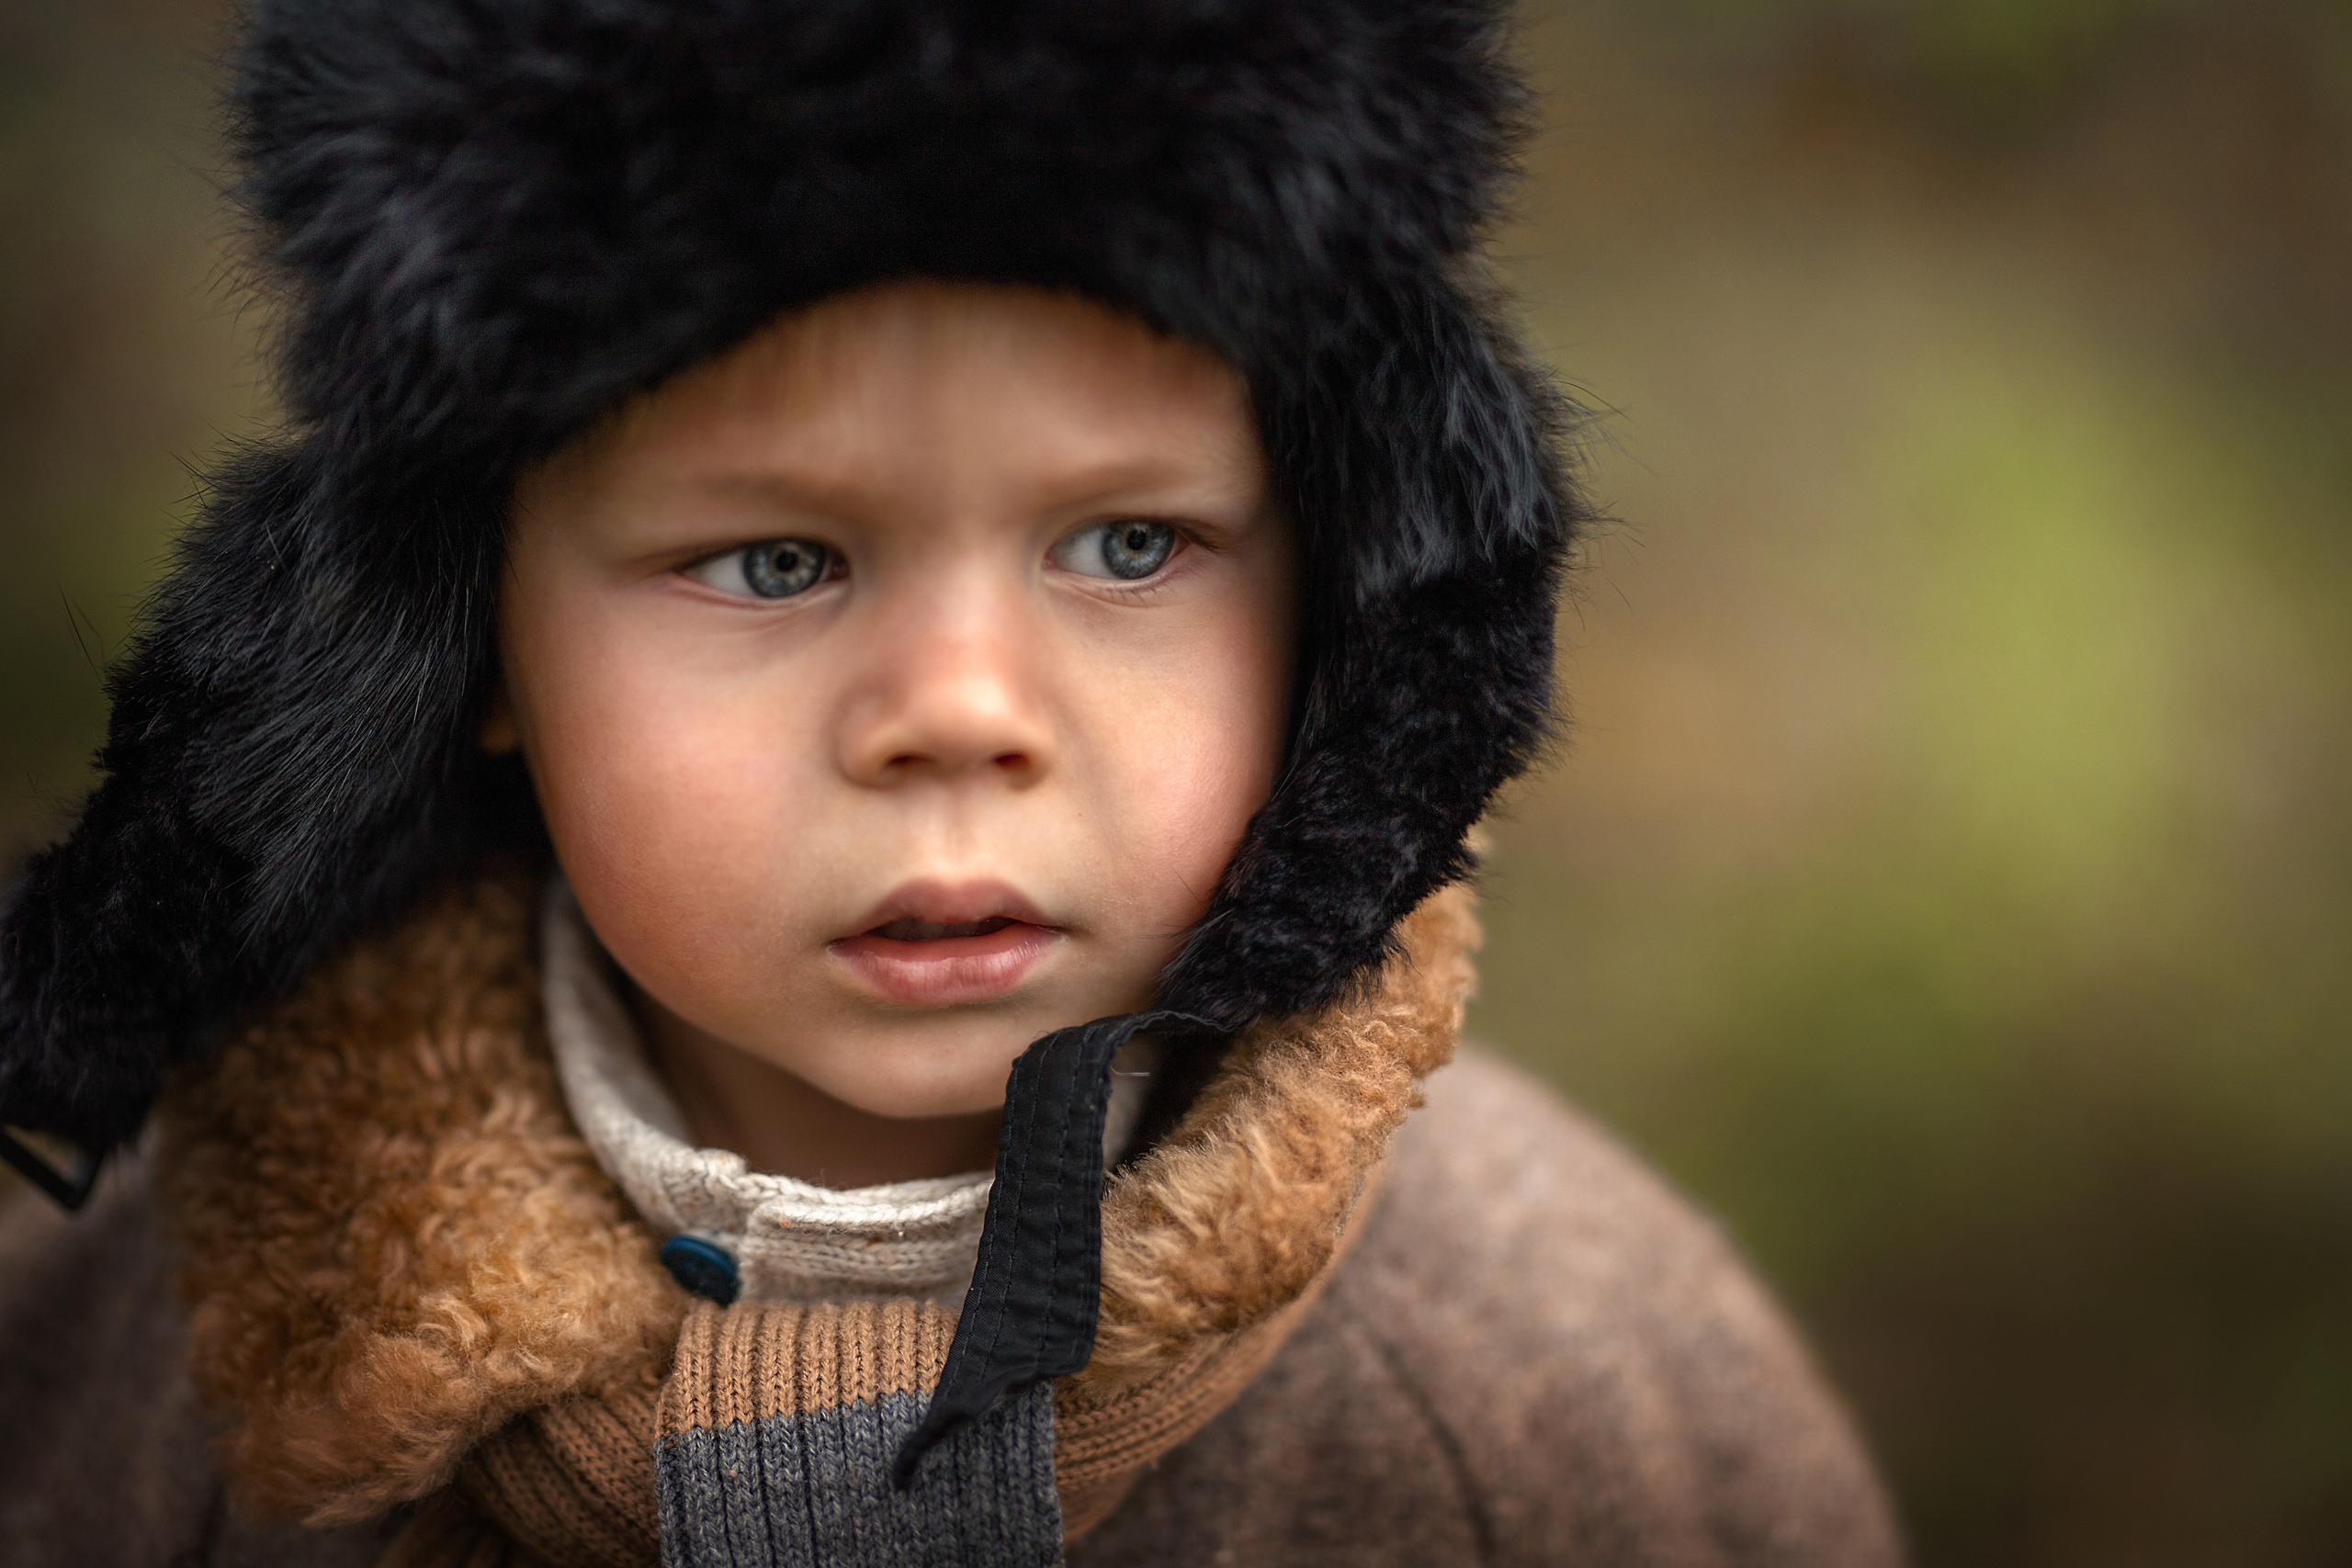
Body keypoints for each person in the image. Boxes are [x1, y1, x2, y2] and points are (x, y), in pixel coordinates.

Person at [0, 2, 1906, 1563]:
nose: (958, 709)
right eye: (771, 560)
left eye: (1129, 546)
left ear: (1346, 593)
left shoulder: (1562, 1393)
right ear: (465, 634)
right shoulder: (134, 1357)